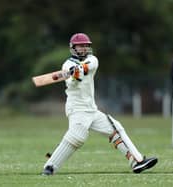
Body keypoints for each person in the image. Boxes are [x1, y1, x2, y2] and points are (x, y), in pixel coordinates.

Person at [42, 33, 158, 175]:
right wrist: (74, 75)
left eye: (86, 46)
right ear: (73, 48)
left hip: (92, 110)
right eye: (81, 46)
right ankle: (50, 167)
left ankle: (137, 161)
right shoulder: (67, 66)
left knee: (116, 129)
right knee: (77, 137)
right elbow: (72, 83)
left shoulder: (92, 59)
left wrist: (79, 69)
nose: (84, 48)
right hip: (77, 109)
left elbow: (90, 66)